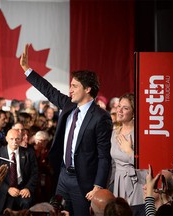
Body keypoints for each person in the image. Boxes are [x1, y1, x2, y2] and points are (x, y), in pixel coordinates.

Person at [20, 44, 112, 215]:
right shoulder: (68, 105)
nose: (70, 90)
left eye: (74, 86)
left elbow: (104, 155)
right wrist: (27, 69)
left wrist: (98, 186)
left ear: (87, 89)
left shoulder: (101, 117)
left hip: (83, 181)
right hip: (62, 176)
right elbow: (49, 90)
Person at [0, 128, 38, 215]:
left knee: (26, 204)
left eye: (17, 139)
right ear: (6, 139)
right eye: (11, 139)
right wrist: (7, 189)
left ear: (21, 139)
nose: (14, 141)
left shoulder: (29, 153)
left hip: (22, 190)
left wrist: (28, 188)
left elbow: (35, 173)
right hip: (4, 191)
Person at [110, 93, 146, 208]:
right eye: (119, 106)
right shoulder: (115, 133)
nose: (119, 111)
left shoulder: (141, 134)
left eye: (125, 108)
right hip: (117, 183)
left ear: (134, 112)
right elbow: (113, 163)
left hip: (137, 183)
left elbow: (146, 165)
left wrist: (129, 151)